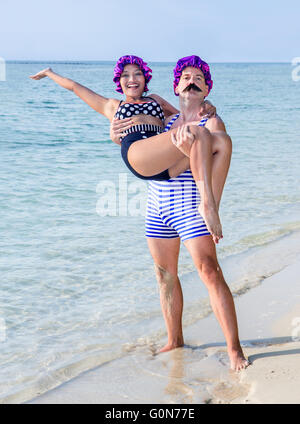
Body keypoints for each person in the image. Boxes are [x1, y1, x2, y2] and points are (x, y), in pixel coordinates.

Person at [111, 56, 250, 371]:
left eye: (199, 78)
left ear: (206, 89)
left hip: (190, 208)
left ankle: (234, 350)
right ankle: (175, 340)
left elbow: (220, 154)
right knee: (164, 276)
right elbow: (134, 137)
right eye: (185, 76)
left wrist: (210, 202)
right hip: (157, 206)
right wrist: (114, 130)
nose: (191, 80)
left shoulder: (211, 123)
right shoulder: (165, 121)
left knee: (210, 272)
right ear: (176, 87)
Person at [29, 55, 222, 243]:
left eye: (137, 74)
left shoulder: (155, 100)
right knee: (199, 134)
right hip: (137, 154)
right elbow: (75, 87)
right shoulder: (113, 106)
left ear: (145, 78)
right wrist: (49, 73)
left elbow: (186, 113)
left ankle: (205, 206)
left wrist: (207, 104)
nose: (132, 79)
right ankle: (207, 206)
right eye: (125, 75)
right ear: (118, 81)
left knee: (216, 142)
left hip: (163, 169)